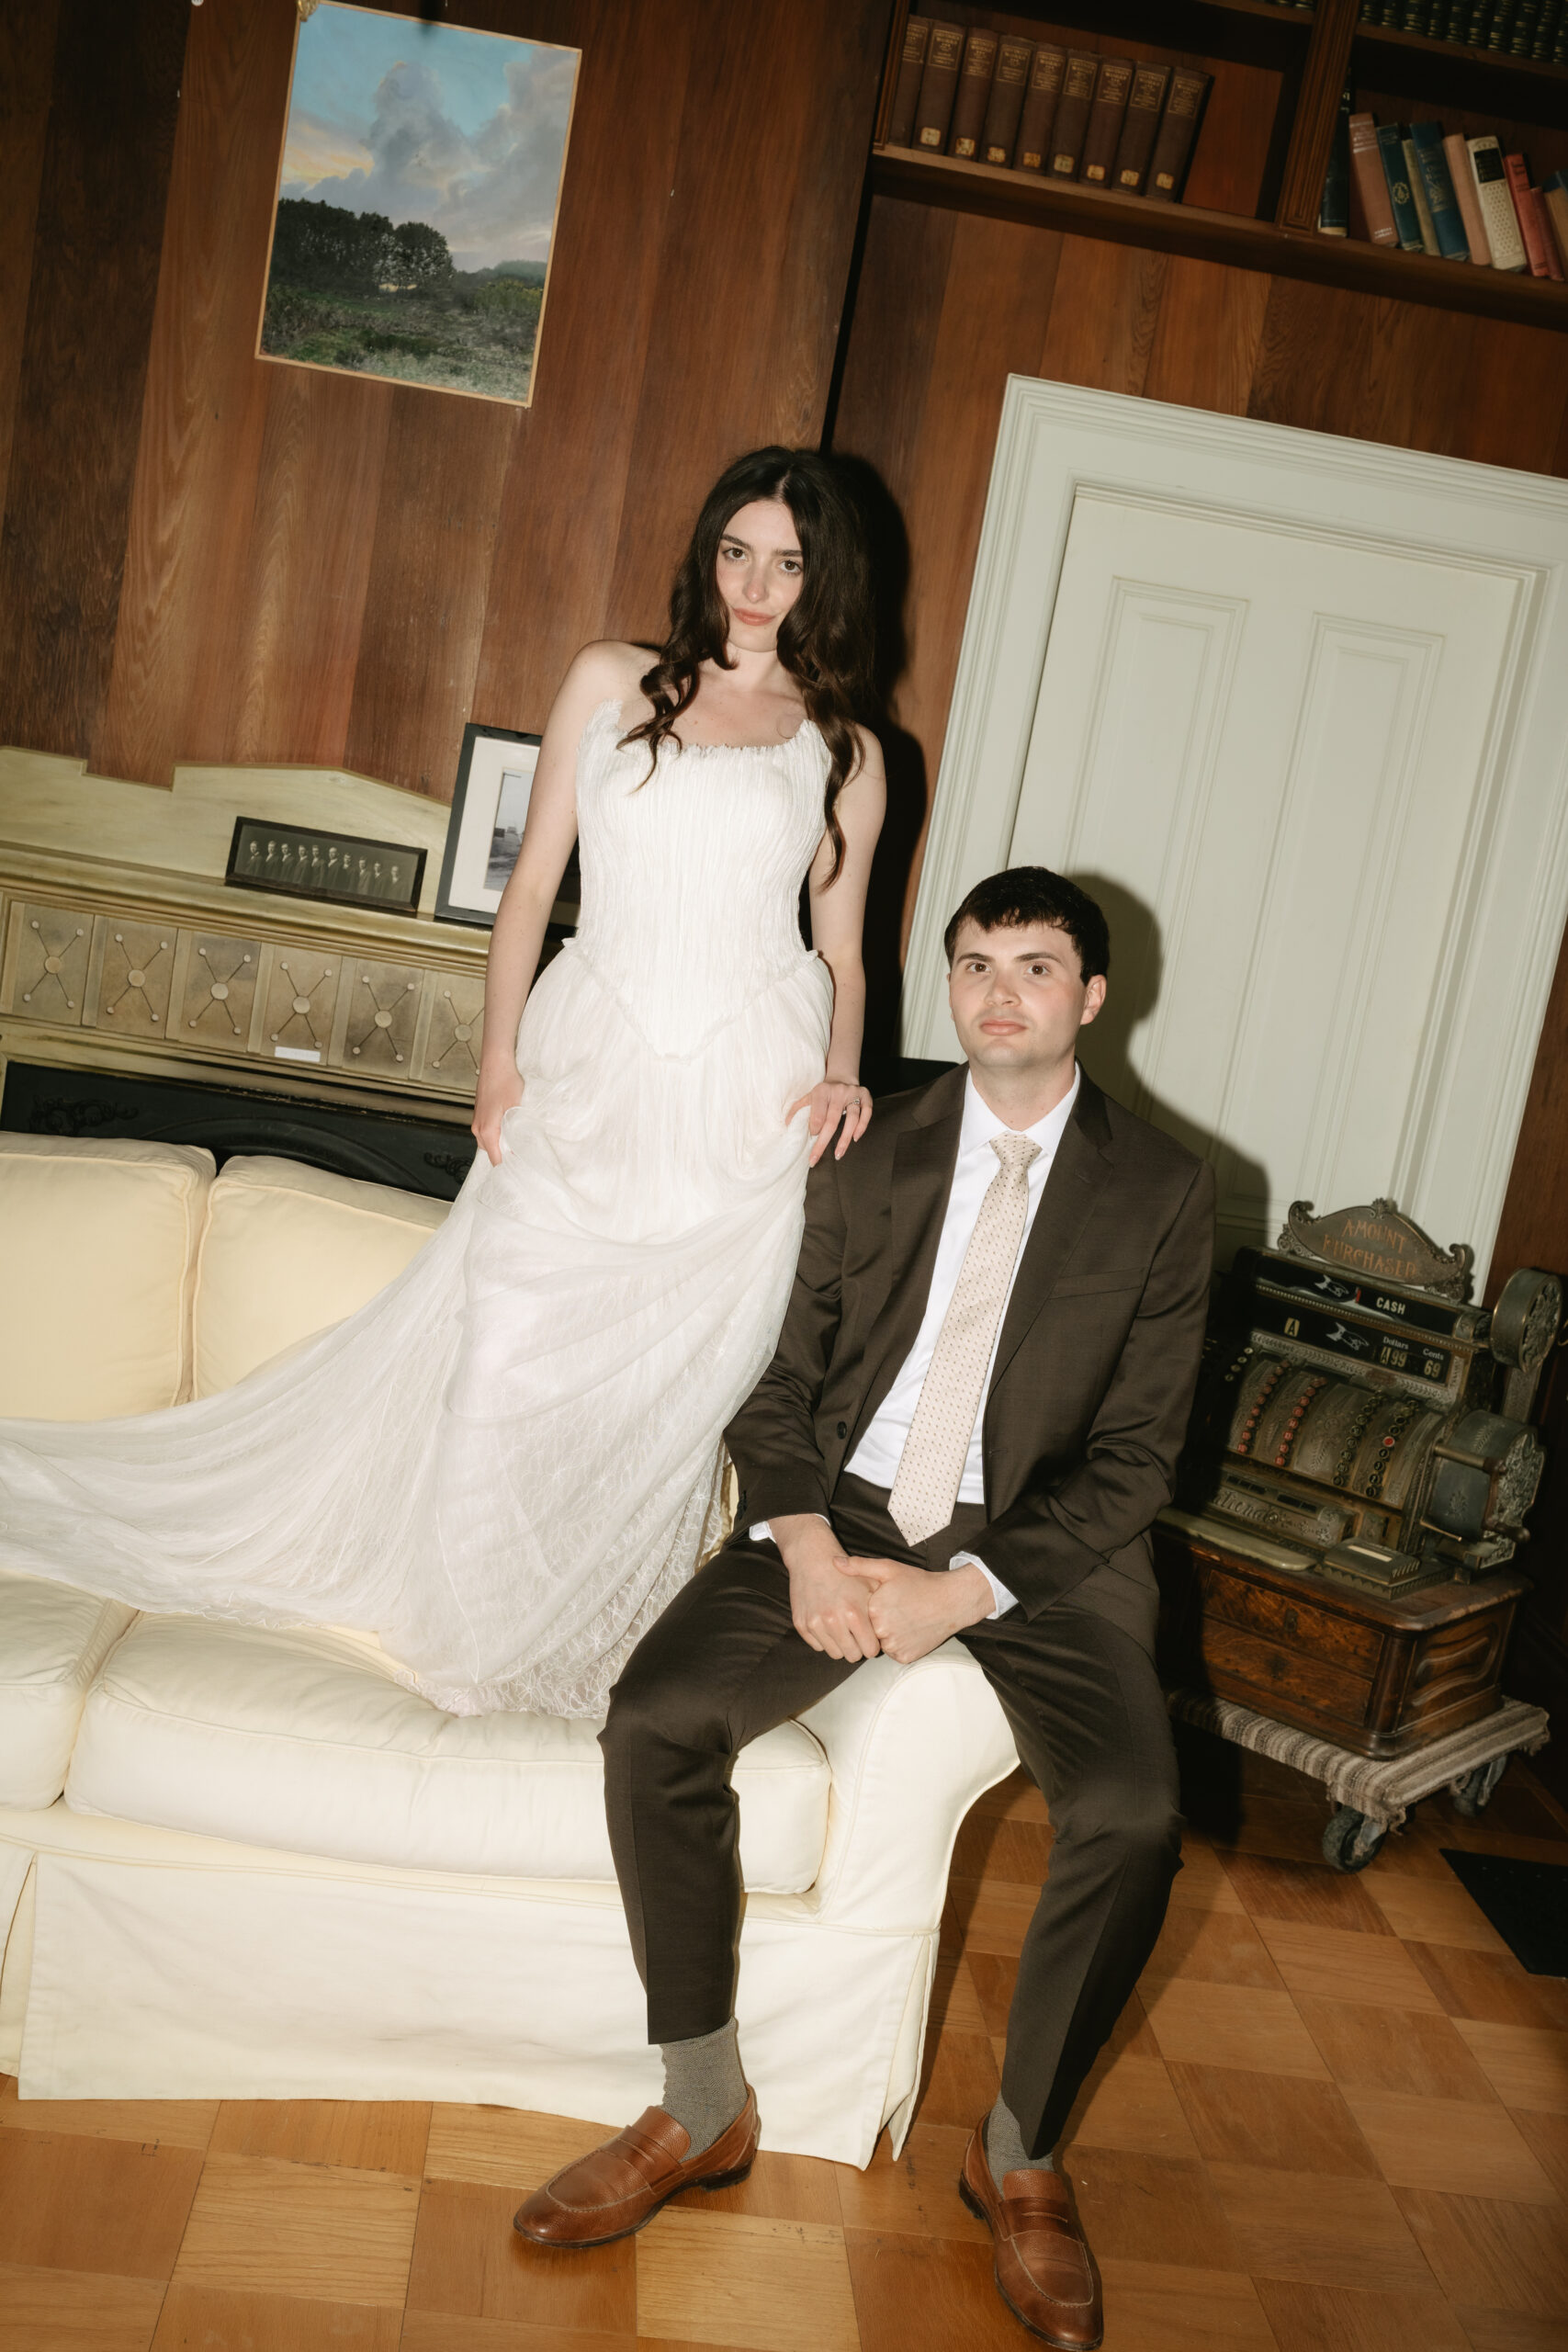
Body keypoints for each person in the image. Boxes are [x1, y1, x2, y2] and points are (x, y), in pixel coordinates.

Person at [0, 447, 886, 1719]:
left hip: (747, 1101)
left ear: (824, 576)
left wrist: (846, 1073)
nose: (755, 583)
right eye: (735, 551)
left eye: (788, 562)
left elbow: (846, 951)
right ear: (706, 553)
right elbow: (531, 889)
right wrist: (498, 1060)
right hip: (587, 1064)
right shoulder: (608, 679)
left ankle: (579, 1646)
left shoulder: (844, 745)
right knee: (506, 1342)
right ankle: (465, 1646)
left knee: (665, 1393)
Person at [515, 866, 1215, 2351]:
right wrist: (815, 1553)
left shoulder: (1162, 1190)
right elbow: (777, 1387)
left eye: (1036, 966)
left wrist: (964, 1589)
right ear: (949, 986)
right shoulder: (869, 1146)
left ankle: (1017, 2150)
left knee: (1133, 1810)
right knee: (654, 1722)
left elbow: (1144, 1458)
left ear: (1093, 998)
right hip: (845, 1514)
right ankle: (701, 2107)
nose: (999, 992)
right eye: (974, 964)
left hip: (1047, 1553)